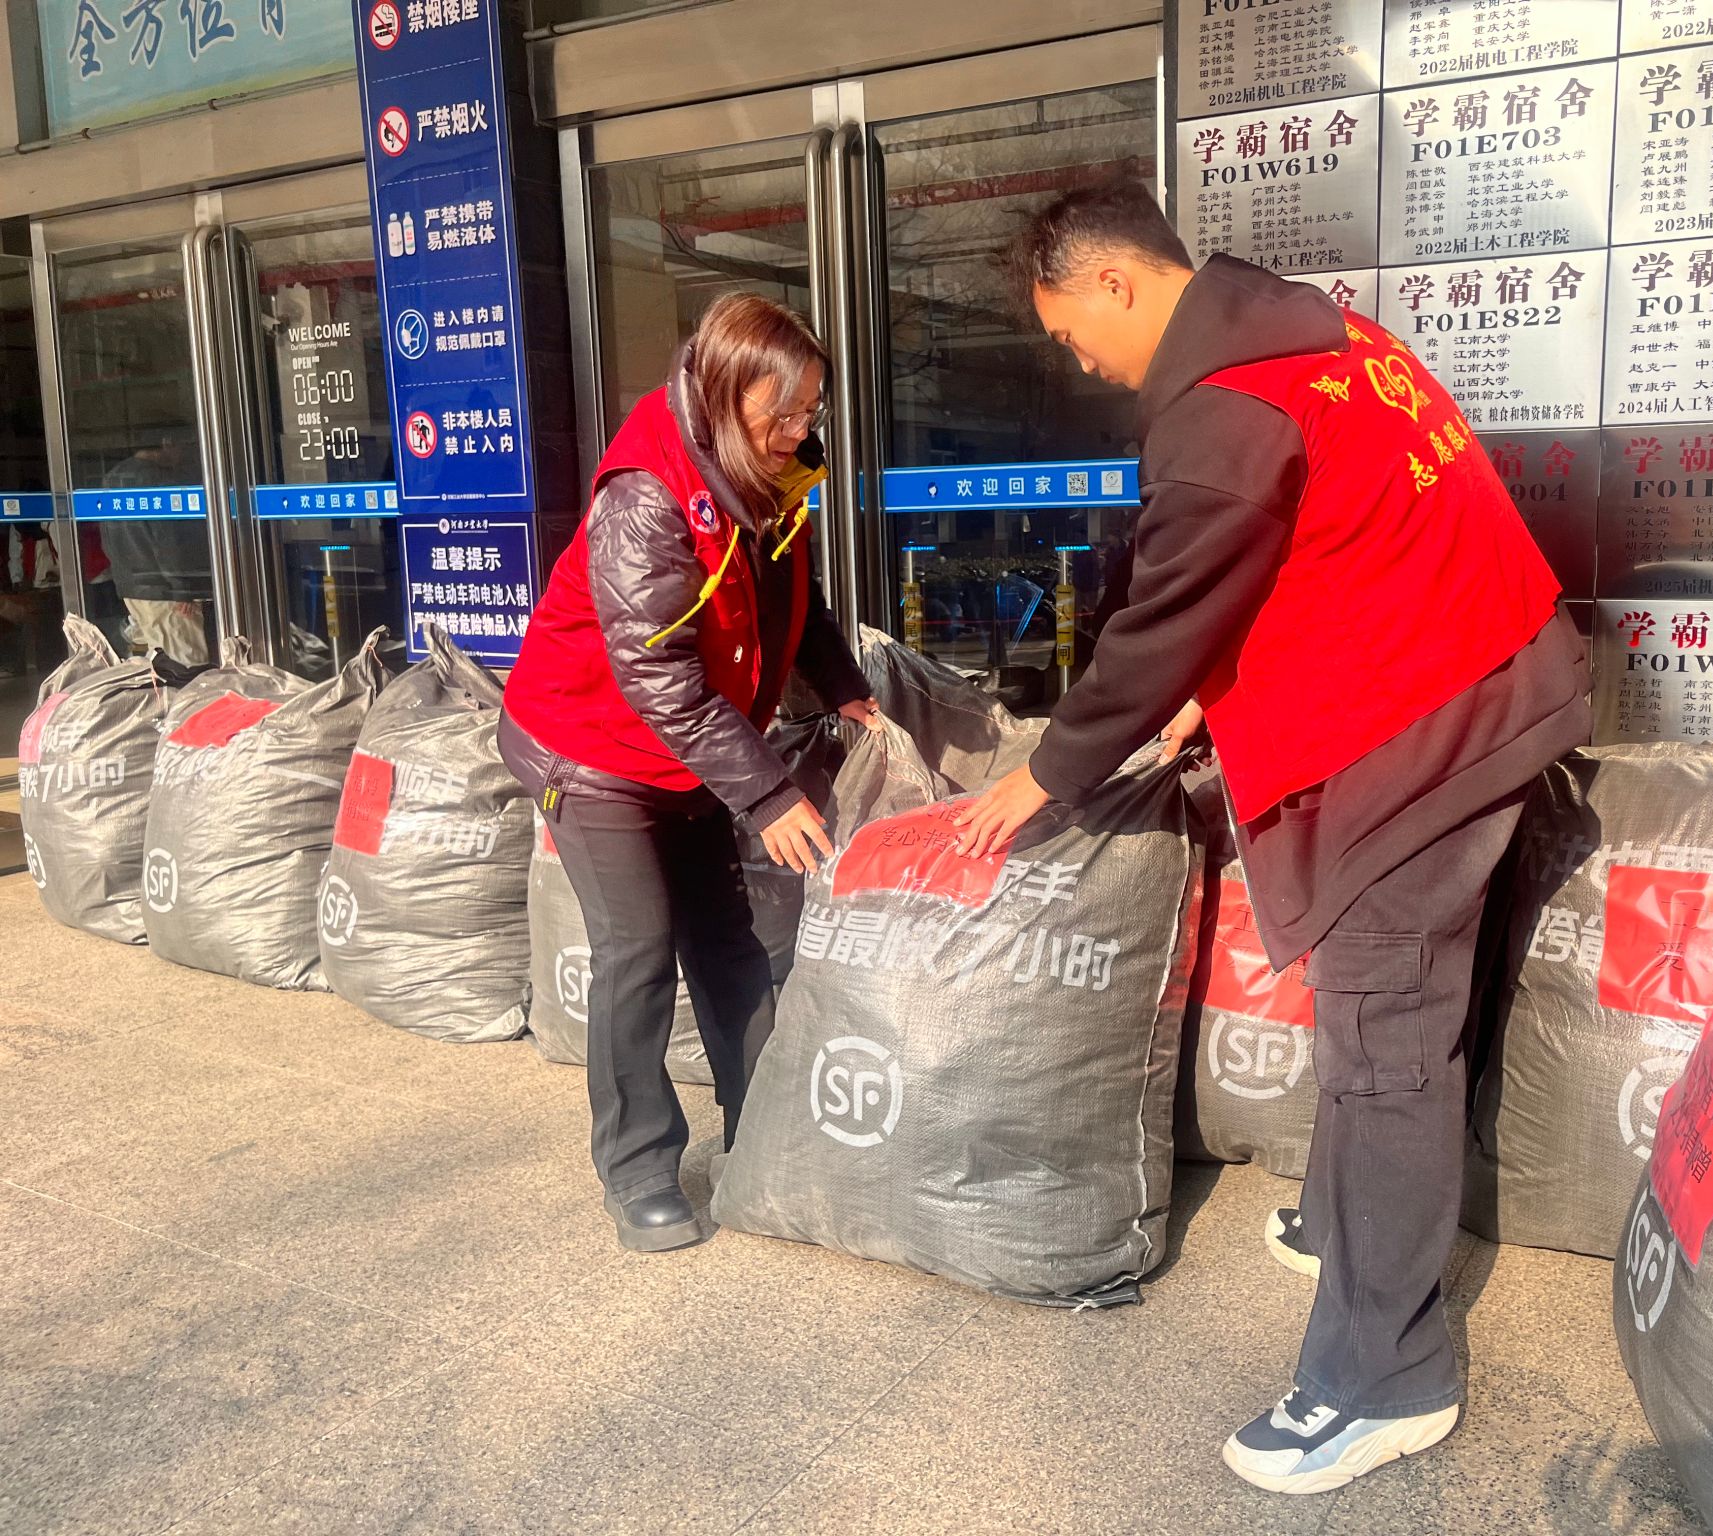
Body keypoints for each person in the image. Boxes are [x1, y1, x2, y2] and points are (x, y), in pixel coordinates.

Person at [955, 184, 1590, 1495]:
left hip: (1426, 729)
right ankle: (1363, 1225)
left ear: (1115, 281)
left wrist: (1050, 772)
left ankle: (1385, 1378)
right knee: (1395, 1019)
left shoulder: (1222, 411)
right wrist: (1211, 687)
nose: (1079, 360)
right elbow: (1321, 540)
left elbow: (1159, 620)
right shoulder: (1320, 336)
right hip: (1493, 673)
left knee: (1385, 1034)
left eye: (1070, 332)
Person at [500, 294, 880, 1254]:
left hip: (693, 744)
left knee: (728, 938)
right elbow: (657, 678)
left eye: (810, 411)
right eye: (781, 413)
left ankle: (763, 1128)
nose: (799, 431)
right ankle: (637, 1169)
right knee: (637, 946)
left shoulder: (769, 472)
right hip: (592, 750)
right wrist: (768, 793)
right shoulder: (646, 498)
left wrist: (844, 691)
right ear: (722, 394)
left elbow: (796, 598)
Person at [99, 434, 213, 664]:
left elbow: (108, 539)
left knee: (158, 663)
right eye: (183, 448)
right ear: (167, 443)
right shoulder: (158, 479)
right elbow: (169, 540)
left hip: (132, 589)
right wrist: (182, 588)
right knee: (186, 664)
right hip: (165, 592)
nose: (183, 457)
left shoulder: (112, 478)